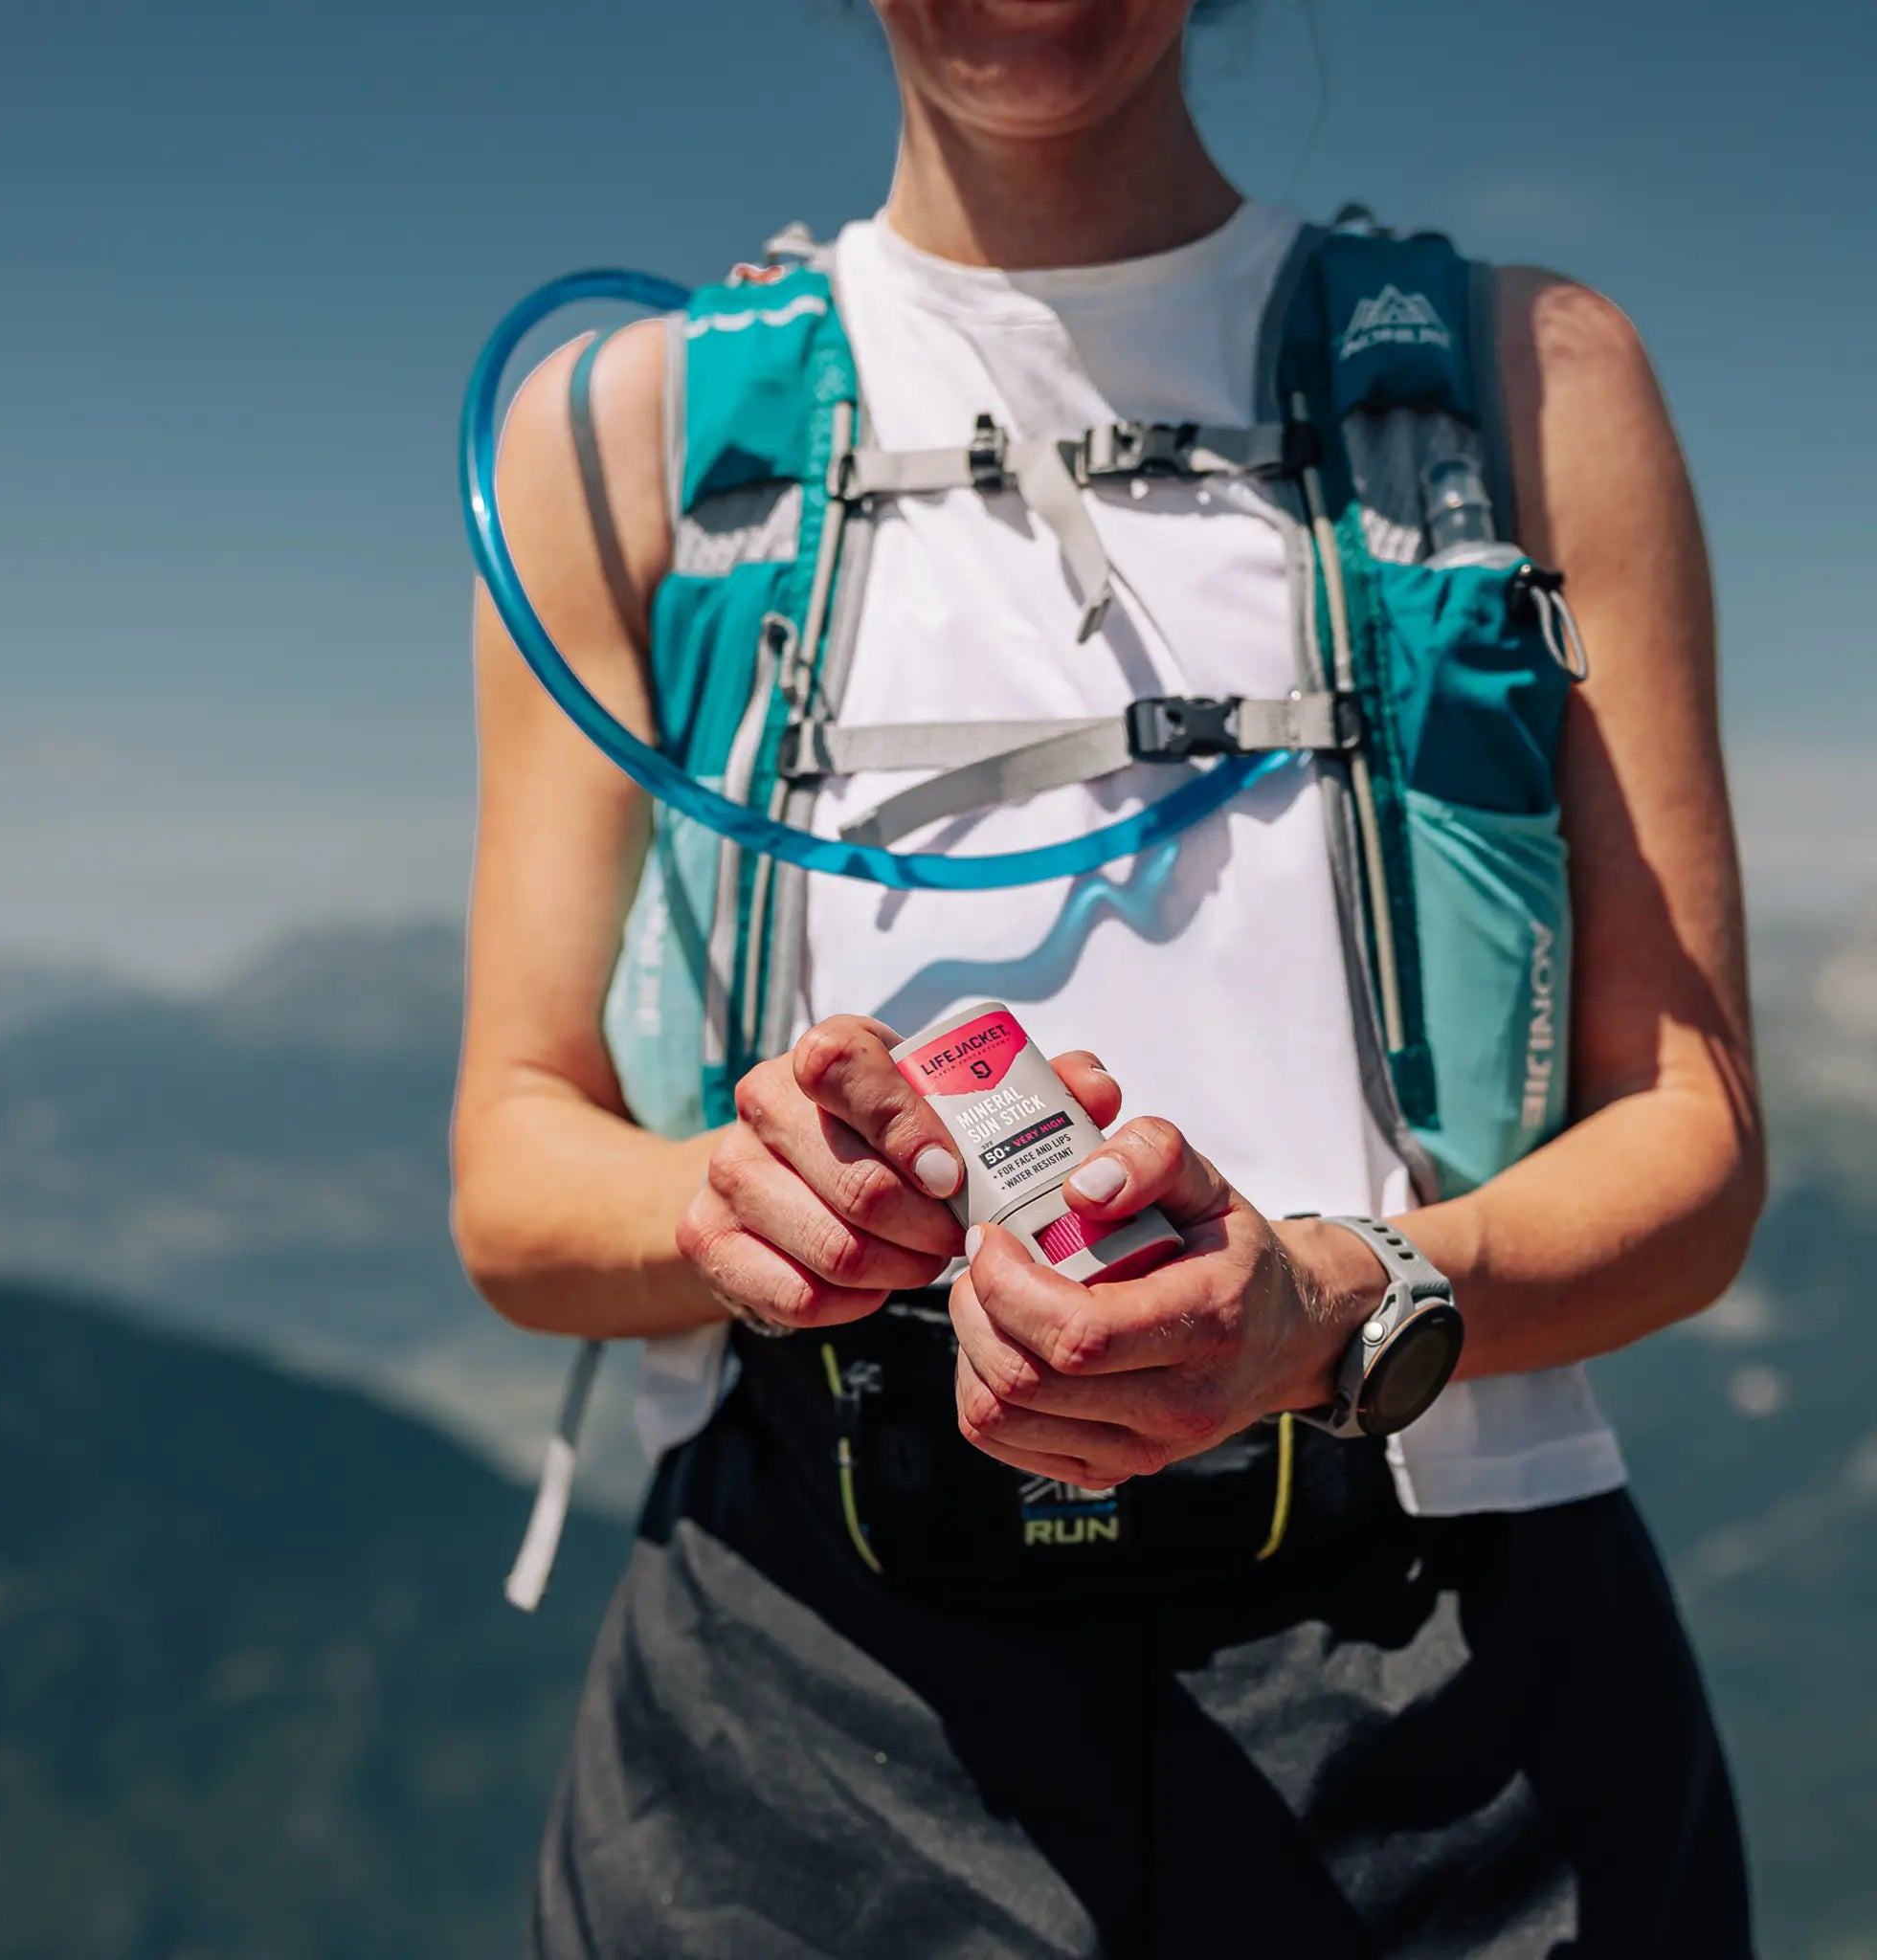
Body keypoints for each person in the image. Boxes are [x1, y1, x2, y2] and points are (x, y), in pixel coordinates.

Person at [453, 2, 1765, 1952]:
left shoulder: (1538, 379)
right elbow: (514, 1173)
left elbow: (1693, 1143)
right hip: (794, 1705)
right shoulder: (613, 438)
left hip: (1449, 1715)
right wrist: (748, 1205)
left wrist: (1324, 1308)